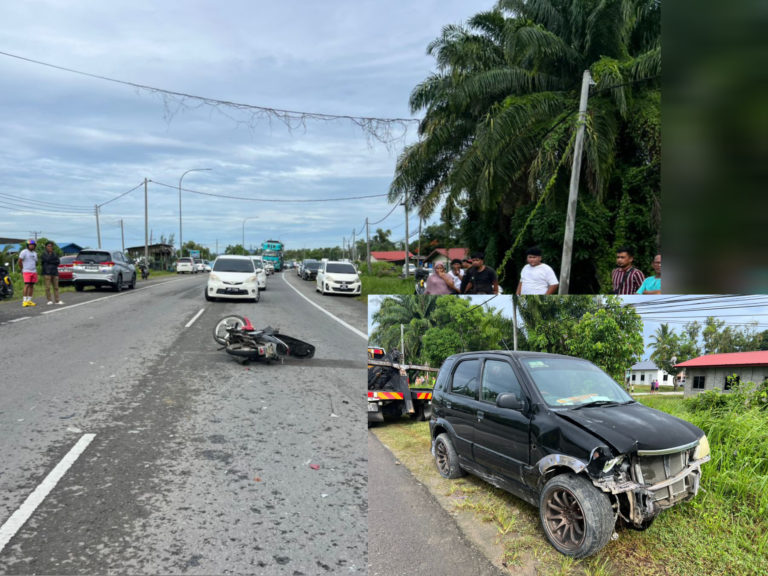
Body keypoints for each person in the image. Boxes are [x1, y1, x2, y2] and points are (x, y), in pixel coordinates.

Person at [17, 239, 39, 307]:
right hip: (26, 271)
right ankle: (24, 301)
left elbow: (36, 262)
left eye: (33, 245)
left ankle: (29, 300)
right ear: (28, 245)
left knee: (32, 286)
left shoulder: (35, 253)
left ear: (34, 246)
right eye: (30, 245)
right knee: (26, 285)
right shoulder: (24, 252)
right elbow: (19, 261)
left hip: (34, 271)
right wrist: (22, 269)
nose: (31, 246)